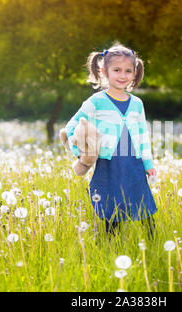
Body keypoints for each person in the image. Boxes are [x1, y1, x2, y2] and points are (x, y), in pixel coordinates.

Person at [64, 41, 157, 239]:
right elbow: (71, 128)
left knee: (144, 206)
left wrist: (148, 163)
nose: (123, 75)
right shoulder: (96, 101)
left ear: (134, 73)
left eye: (128, 71)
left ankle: (154, 244)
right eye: (117, 70)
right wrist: (82, 154)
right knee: (111, 206)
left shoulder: (137, 104)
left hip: (133, 162)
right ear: (104, 71)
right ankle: (108, 246)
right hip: (110, 162)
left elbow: (142, 136)